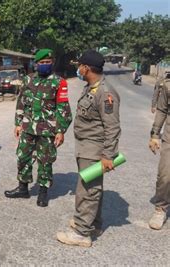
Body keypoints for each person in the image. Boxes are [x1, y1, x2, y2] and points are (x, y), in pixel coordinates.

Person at [57, 50, 121, 247]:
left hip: (94, 149)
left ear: (86, 68)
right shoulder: (91, 87)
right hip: (86, 146)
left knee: (87, 190)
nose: (78, 68)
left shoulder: (104, 92)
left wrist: (108, 155)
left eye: (80, 65)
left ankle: (82, 232)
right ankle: (93, 223)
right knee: (92, 187)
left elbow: (112, 126)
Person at [4, 48, 72, 207]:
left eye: (48, 62)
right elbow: (21, 102)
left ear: (52, 63)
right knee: (23, 157)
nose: (45, 65)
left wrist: (61, 130)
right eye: (42, 62)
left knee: (45, 161)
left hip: (48, 129)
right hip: (28, 127)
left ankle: (43, 192)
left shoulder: (59, 82)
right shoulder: (28, 80)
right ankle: (23, 188)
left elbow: (63, 108)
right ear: (36, 64)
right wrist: (17, 123)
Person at [148, 71, 170, 230]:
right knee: (165, 174)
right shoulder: (167, 84)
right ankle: (161, 208)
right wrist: (155, 134)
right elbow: (162, 110)